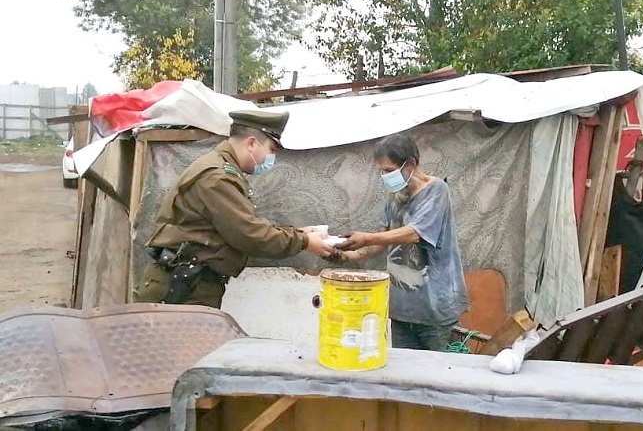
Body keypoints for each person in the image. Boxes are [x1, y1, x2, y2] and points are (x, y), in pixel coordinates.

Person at [134, 110, 333, 308]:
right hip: (181, 288)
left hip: (188, 283)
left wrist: (297, 234)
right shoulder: (217, 177)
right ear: (252, 143)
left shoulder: (222, 170)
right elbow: (250, 234)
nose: (271, 158)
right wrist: (304, 242)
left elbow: (243, 224)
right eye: (272, 150)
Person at [332, 133, 469, 351]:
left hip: (435, 310)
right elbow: (379, 245)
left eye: (388, 170)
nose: (384, 176)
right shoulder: (394, 198)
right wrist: (340, 253)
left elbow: (415, 233)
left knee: (440, 377)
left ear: (411, 164)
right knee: (406, 378)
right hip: (402, 311)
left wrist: (366, 237)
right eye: (381, 171)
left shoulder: (436, 191)